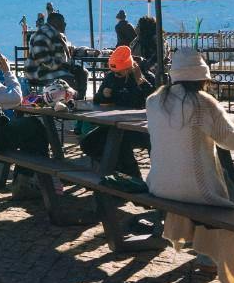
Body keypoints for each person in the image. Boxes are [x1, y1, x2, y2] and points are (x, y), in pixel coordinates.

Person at [144, 49, 234, 283]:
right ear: (203, 77)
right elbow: (230, 140)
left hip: (158, 185)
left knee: (216, 184)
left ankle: (219, 249)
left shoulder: (154, 101)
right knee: (225, 198)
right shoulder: (203, 103)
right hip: (195, 192)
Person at [79, 45, 154, 176]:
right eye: (113, 71)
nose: (115, 75)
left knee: (119, 143)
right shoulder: (111, 78)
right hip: (114, 124)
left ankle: (133, 178)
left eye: (119, 72)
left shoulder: (144, 76)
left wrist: (141, 81)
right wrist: (104, 95)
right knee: (88, 143)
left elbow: (155, 99)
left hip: (140, 127)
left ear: (128, 67)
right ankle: (116, 173)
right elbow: (97, 99)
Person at [28, 10, 89, 98]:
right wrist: (63, 66)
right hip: (41, 72)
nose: (65, 24)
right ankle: (68, 101)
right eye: (62, 22)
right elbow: (43, 59)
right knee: (68, 78)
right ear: (55, 23)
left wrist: (85, 51)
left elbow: (71, 49)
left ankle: (79, 100)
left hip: (60, 69)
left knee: (82, 72)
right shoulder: (41, 36)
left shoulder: (59, 35)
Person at [131, 16, 164, 82]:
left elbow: (156, 60)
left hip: (148, 75)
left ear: (144, 27)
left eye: (138, 25)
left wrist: (143, 68)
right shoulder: (138, 38)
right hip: (136, 72)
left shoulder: (156, 40)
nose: (136, 27)